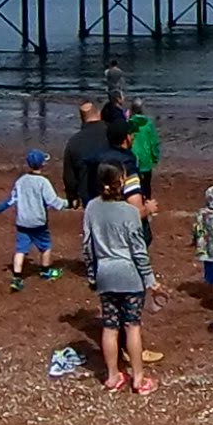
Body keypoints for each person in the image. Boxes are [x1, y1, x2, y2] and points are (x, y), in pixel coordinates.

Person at [87, 169, 157, 396]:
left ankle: (113, 376)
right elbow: (138, 250)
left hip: (105, 273)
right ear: (121, 183)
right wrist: (151, 280)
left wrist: (91, 275)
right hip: (129, 275)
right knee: (132, 326)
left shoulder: (92, 208)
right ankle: (138, 378)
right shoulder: (129, 212)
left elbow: (88, 247)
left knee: (109, 325)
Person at [2, 151, 72, 291]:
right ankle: (45, 271)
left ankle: (17, 277)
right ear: (42, 164)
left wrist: (1, 207)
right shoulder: (43, 182)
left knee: (20, 249)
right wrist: (67, 204)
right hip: (38, 222)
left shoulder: (20, 181)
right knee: (45, 246)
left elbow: (13, 198)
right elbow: (52, 201)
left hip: (22, 221)